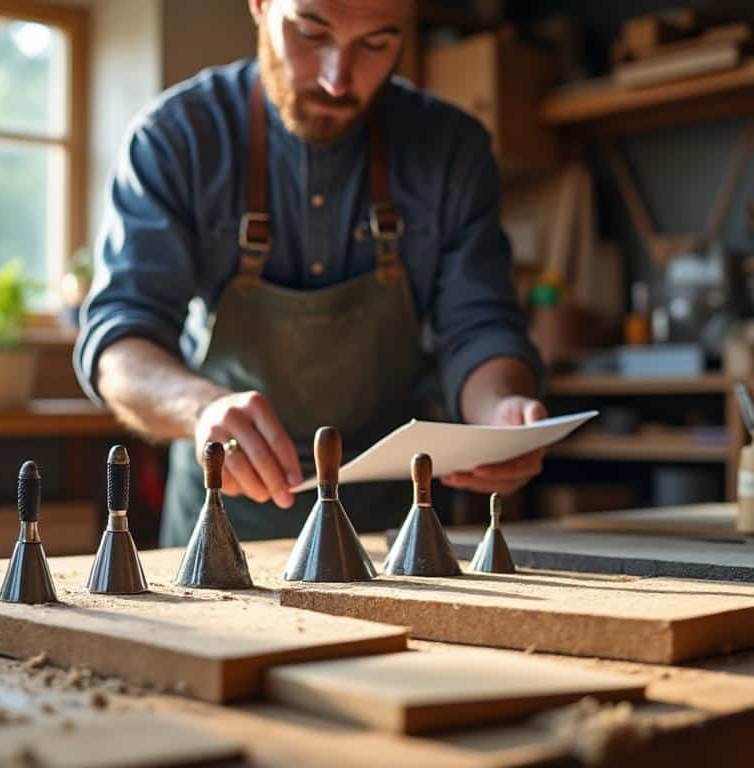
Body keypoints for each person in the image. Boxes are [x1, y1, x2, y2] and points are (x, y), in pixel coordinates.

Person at [75, 0, 547, 547]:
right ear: (259, 6)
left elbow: (479, 325)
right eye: (310, 31)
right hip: (222, 525)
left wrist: (498, 415)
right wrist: (200, 409)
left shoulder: (451, 151)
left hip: (389, 533)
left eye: (376, 44)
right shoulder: (176, 138)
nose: (336, 78)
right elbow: (119, 344)